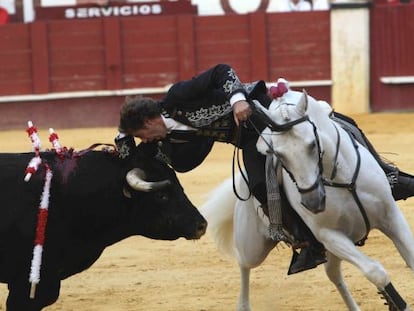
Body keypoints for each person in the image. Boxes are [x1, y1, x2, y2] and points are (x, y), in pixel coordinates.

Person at [115, 63, 414, 274]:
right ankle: (307, 241)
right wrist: (124, 136)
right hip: (248, 139)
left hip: (265, 110)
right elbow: (131, 154)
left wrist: (236, 101)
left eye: (143, 134)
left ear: (150, 121)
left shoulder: (179, 95)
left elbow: (222, 70)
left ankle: (389, 176)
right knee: (260, 185)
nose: (146, 141)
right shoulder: (165, 140)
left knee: (341, 123)